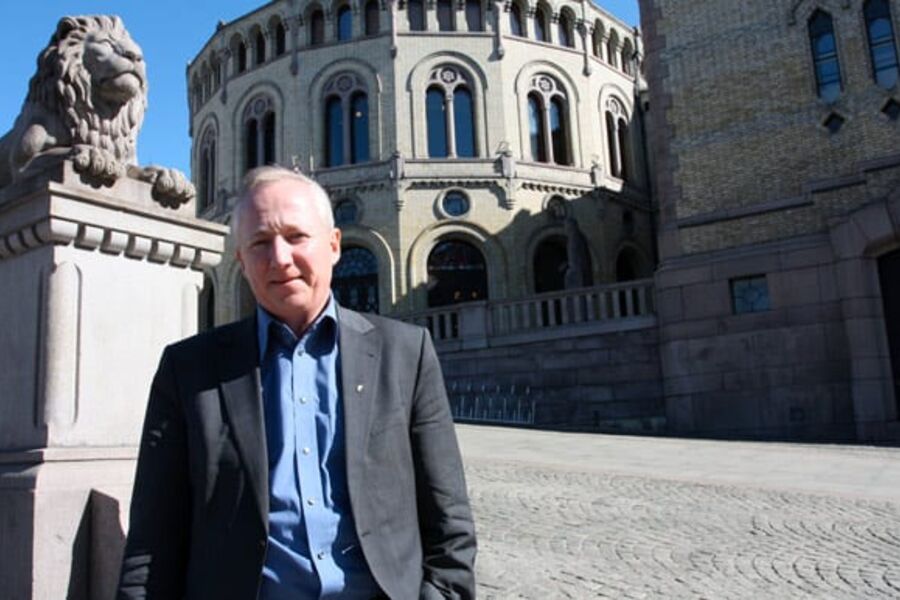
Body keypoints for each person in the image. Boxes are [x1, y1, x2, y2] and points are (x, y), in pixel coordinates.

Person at [118, 166, 477, 599]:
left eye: (295, 236)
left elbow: (449, 518)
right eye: (259, 243)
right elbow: (151, 541)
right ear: (242, 263)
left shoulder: (406, 354)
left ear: (334, 245)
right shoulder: (189, 370)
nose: (280, 258)